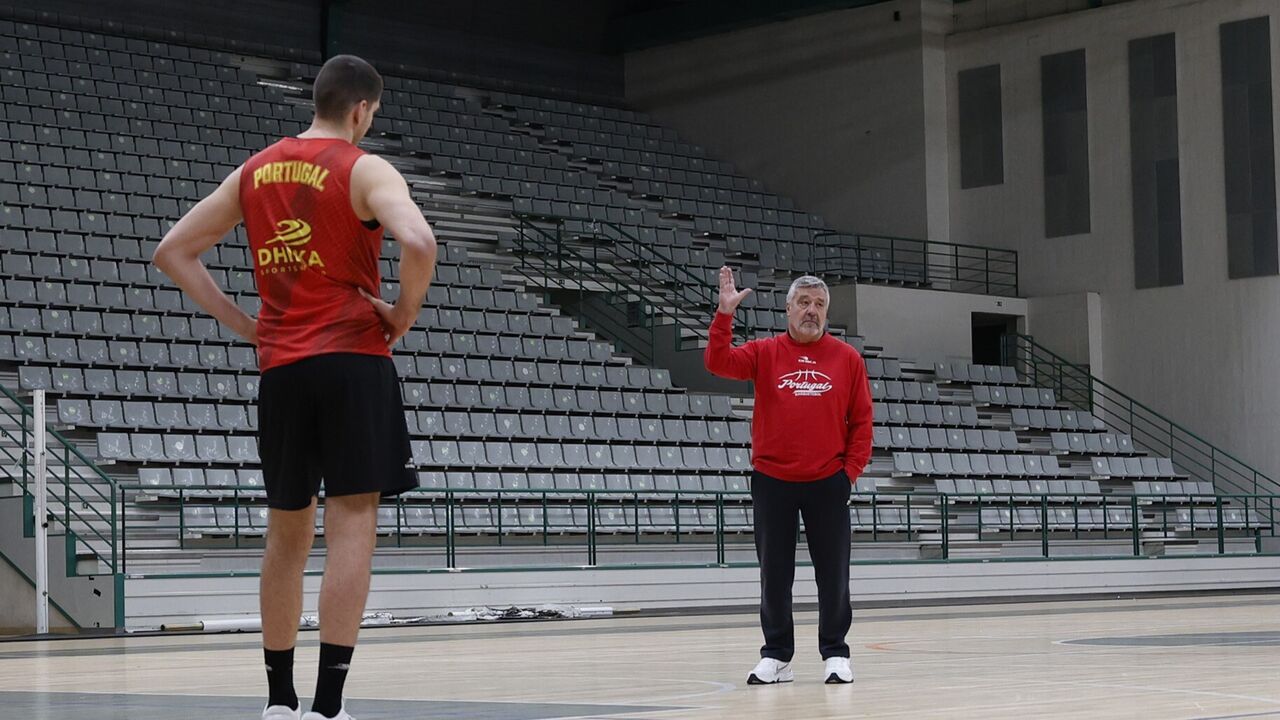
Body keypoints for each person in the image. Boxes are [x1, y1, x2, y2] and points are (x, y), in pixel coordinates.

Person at [153, 54, 437, 720]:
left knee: (286, 537)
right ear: (362, 110)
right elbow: (419, 239)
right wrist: (402, 312)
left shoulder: (255, 170)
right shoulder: (365, 168)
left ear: (319, 99)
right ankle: (328, 705)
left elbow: (172, 250)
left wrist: (248, 326)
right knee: (352, 529)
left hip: (281, 367)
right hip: (353, 360)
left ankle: (279, 701)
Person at [704, 267, 873, 686]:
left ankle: (835, 652)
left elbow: (863, 423)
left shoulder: (847, 359)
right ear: (787, 309)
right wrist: (724, 315)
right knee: (774, 574)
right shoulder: (764, 353)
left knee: (833, 573)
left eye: (818, 305)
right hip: (772, 480)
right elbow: (717, 362)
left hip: (827, 481)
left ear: (826, 312)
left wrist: (848, 474)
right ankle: (777, 655)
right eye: (803, 303)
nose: (811, 311)